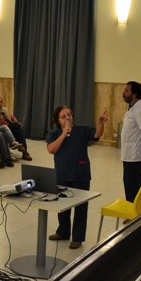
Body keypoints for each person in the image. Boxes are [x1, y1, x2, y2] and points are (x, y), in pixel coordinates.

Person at [46, 105, 108, 249]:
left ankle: (78, 237)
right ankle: (63, 232)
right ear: (57, 120)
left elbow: (97, 135)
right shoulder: (55, 134)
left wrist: (100, 124)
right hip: (62, 174)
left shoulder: (82, 130)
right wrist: (64, 134)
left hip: (80, 175)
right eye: (64, 116)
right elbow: (51, 149)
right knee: (62, 205)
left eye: (69, 115)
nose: (68, 118)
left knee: (81, 207)